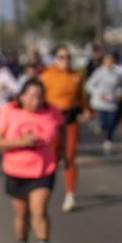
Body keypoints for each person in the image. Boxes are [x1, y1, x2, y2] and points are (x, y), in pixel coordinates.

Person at [0, 79, 64, 243]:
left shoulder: (53, 112)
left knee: (39, 210)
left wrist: (62, 154)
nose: (36, 100)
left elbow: (61, 133)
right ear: (22, 96)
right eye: (31, 95)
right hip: (16, 170)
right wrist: (20, 141)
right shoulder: (8, 111)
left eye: (40, 96)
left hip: (44, 169)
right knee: (21, 214)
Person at [39, 46, 88, 212]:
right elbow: (39, 99)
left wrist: (86, 109)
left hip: (70, 120)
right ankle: (45, 189)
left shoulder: (76, 76)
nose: (65, 60)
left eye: (68, 57)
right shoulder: (46, 76)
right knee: (53, 157)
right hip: (53, 122)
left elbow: (81, 97)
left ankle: (70, 194)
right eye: (61, 57)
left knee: (70, 157)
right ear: (55, 59)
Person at [86, 53, 122, 154]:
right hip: (100, 103)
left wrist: (119, 94)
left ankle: (108, 141)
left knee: (112, 123)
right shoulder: (99, 72)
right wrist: (99, 94)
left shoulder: (117, 73)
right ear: (104, 61)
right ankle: (98, 124)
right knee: (103, 123)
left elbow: (120, 86)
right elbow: (89, 85)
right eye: (107, 60)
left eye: (111, 61)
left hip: (112, 102)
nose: (109, 63)